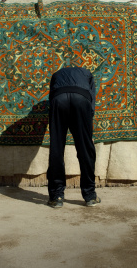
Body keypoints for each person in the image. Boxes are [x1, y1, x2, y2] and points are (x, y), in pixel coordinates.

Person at [47, 66, 100, 208]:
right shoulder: (87, 73)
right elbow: (92, 97)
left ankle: (56, 196)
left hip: (59, 99)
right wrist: (88, 119)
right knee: (85, 148)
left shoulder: (56, 74)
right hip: (81, 99)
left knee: (56, 148)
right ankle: (90, 196)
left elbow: (52, 96)